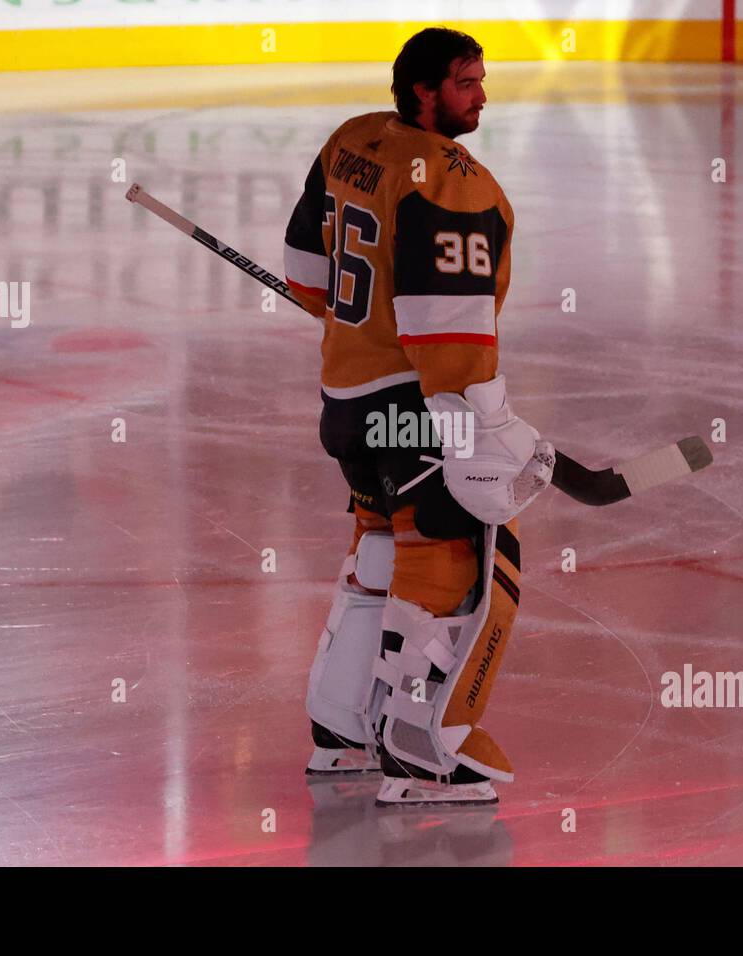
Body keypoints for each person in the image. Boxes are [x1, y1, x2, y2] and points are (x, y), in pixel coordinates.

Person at [283, 27, 554, 807]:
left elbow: (307, 278)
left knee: (379, 541)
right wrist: (485, 426)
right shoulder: (450, 180)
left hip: (345, 406)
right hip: (409, 410)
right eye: (467, 82)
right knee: (453, 549)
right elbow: (448, 326)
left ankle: (343, 728)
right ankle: (422, 747)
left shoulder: (351, 141)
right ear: (425, 91)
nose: (482, 96)